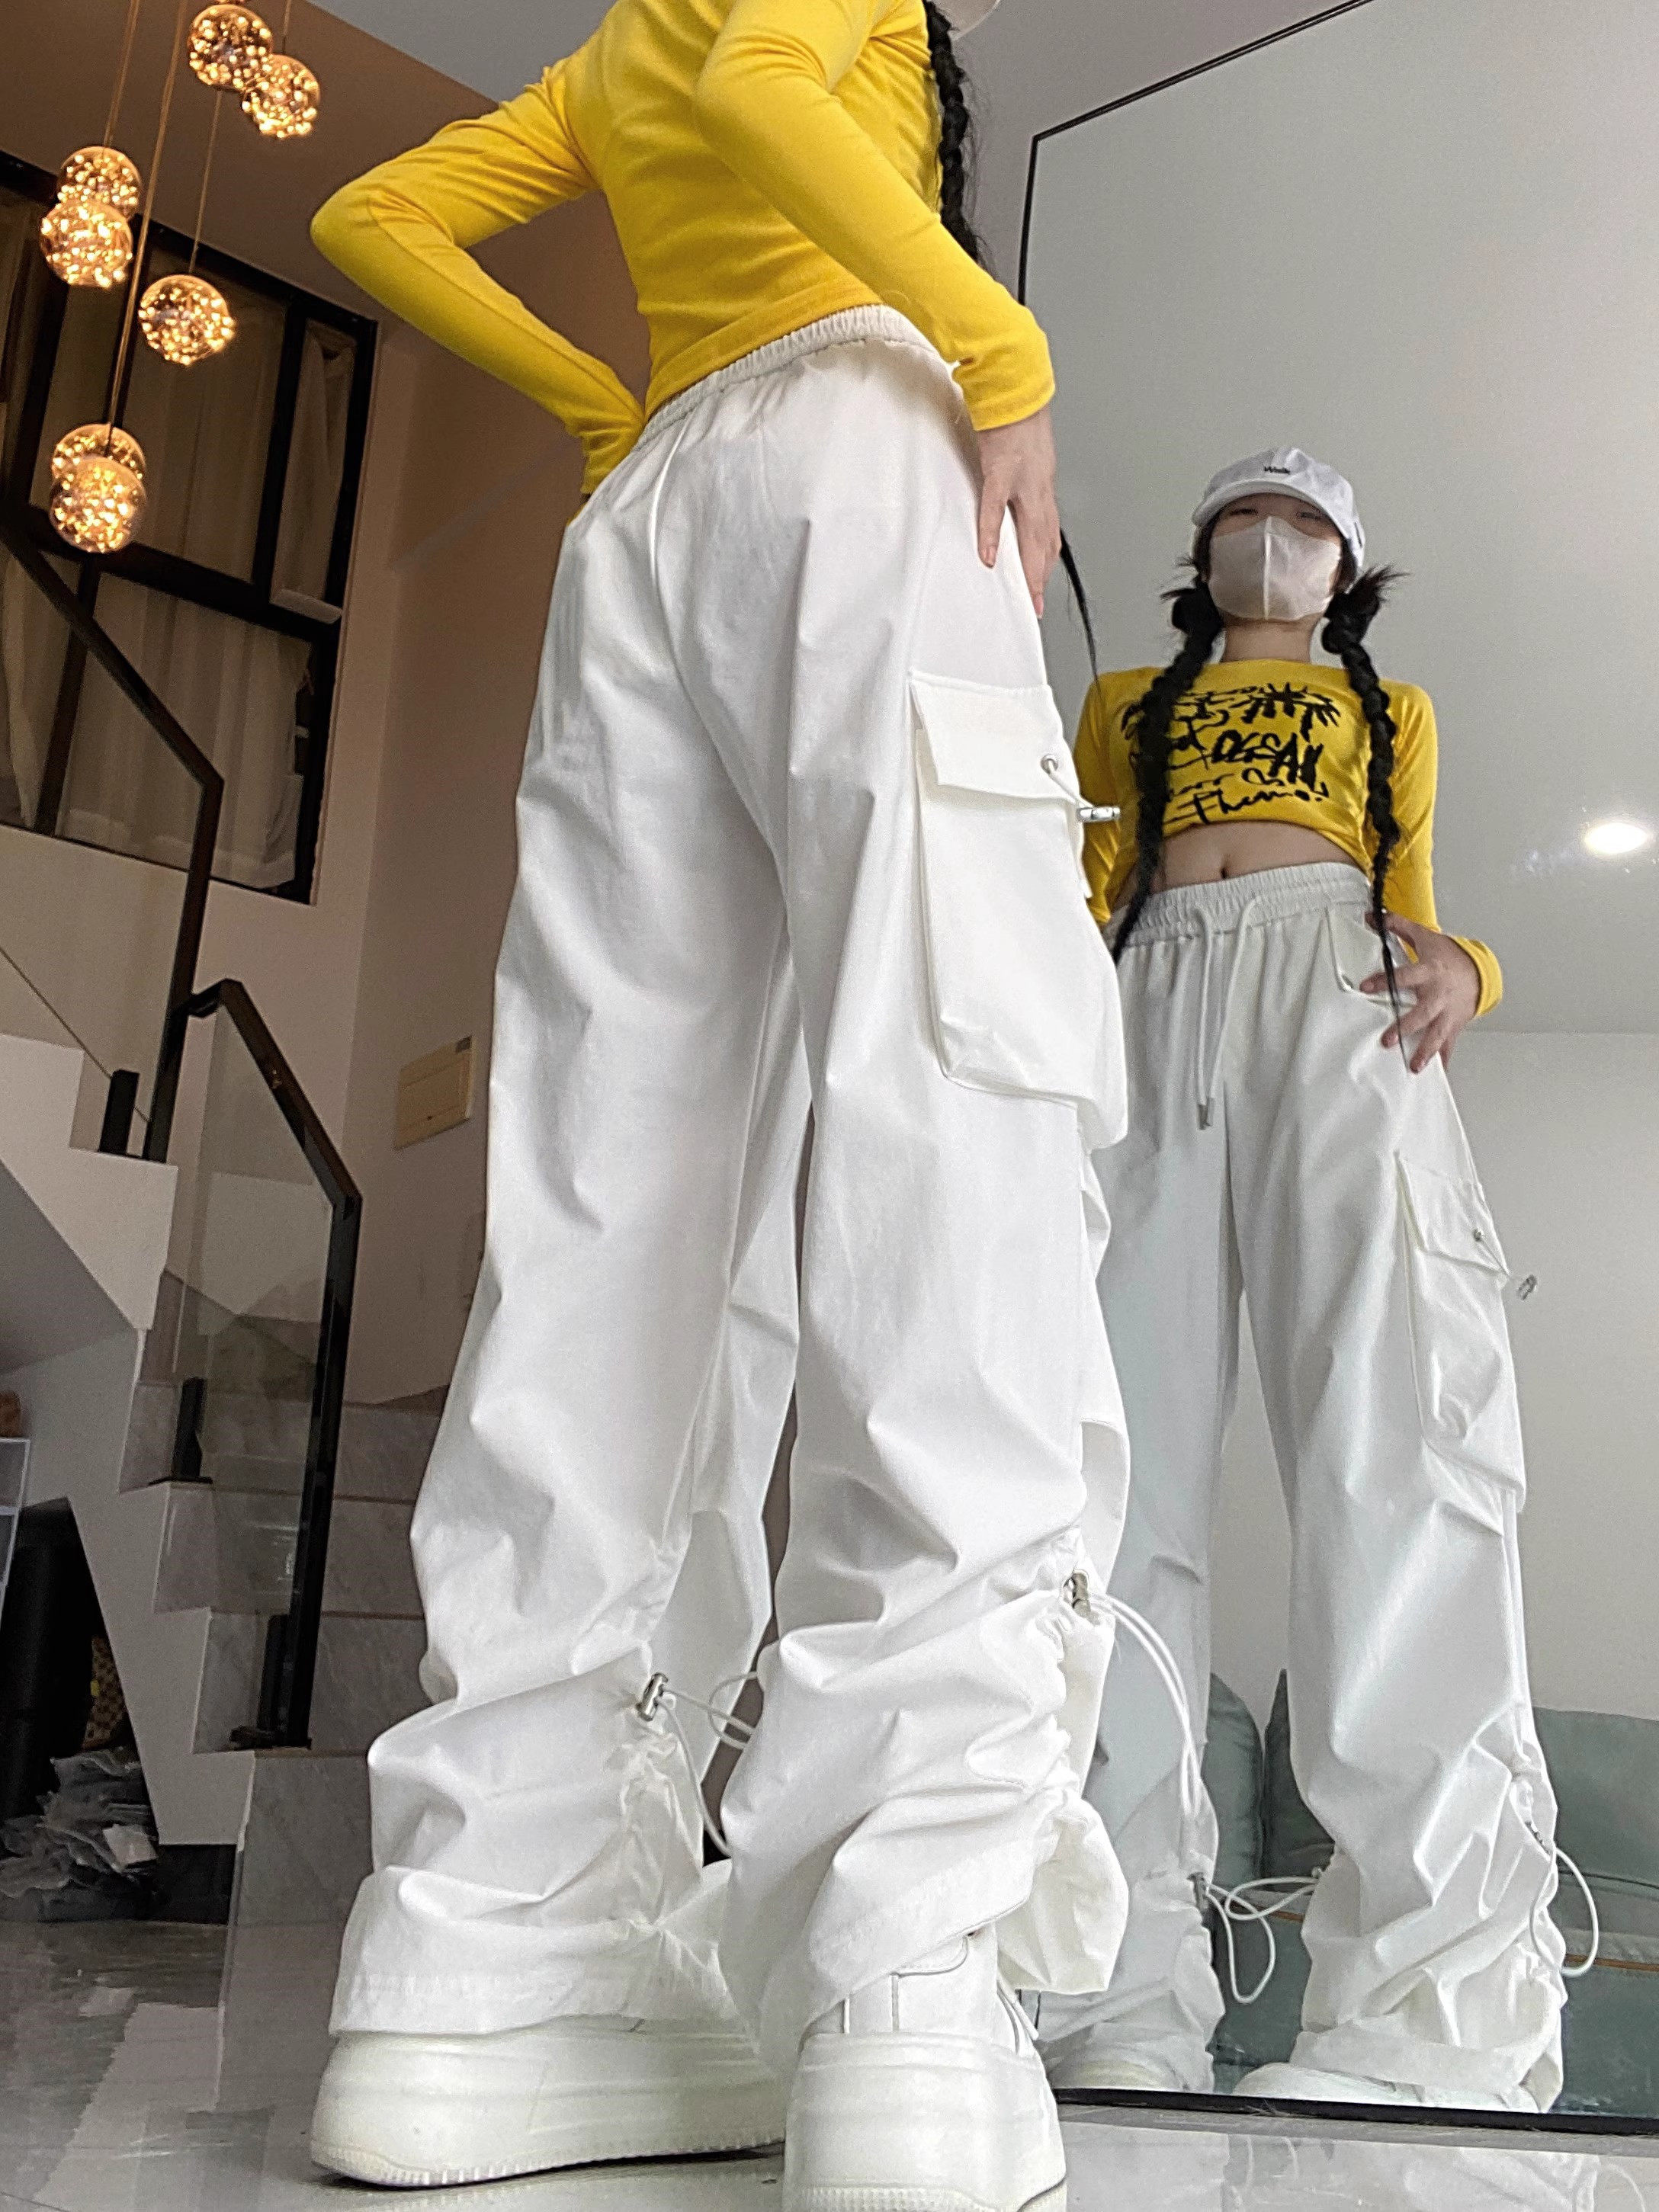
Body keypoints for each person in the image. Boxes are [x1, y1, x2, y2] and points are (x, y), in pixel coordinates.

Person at [305, 2, 1134, 2201]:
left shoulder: (607, 49)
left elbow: (371, 214)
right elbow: (775, 90)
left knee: (605, 1207)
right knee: (952, 1119)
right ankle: (901, 1969)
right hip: (862, 435)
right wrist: (998, 344)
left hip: (654, 514)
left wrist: (605, 403)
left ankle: (488, 1949)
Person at [1036, 450, 1566, 2113]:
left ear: (1347, 564)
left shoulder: (1388, 708)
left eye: (1305, 520)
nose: (1271, 537)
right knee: (1103, 1483)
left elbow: (1415, 899)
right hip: (1141, 997)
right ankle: (1108, 1988)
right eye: (1243, 516)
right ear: (1200, 551)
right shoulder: (1126, 701)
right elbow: (1074, 881)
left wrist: (1476, 967)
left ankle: (1429, 2019)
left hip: (1338, 990)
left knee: (1389, 1456)